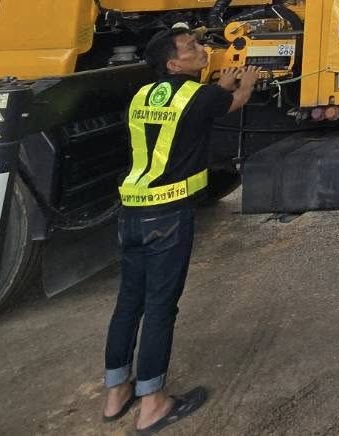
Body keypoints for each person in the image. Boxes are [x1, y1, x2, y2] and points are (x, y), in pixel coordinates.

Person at [101, 26, 259, 431]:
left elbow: (193, 106)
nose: (202, 50)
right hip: (168, 215)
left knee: (129, 303)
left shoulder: (141, 95)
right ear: (173, 64)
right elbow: (234, 101)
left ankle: (116, 393)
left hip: (131, 211)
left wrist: (218, 87)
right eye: (191, 48)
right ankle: (153, 403)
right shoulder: (200, 96)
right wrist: (247, 81)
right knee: (160, 307)